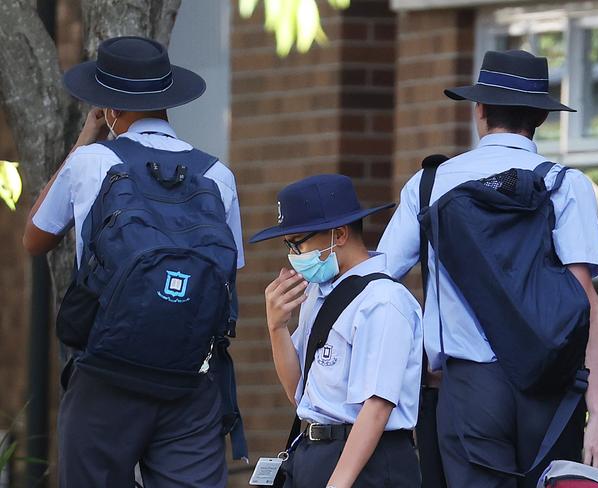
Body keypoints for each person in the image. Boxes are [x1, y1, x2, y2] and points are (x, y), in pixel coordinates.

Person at [378, 49, 598, 487]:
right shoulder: (565, 184)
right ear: (540, 118)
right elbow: (586, 305)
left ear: (480, 109)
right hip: (552, 386)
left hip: (469, 386)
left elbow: (379, 284)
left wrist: (419, 357)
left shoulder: (430, 184)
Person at [23, 36, 246, 488]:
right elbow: (228, 271)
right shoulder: (217, 175)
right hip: (191, 377)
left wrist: (87, 136)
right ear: (167, 102)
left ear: (108, 109)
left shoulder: (91, 162)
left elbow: (35, 237)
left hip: (107, 373)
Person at [249, 174, 423, 488]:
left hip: (368, 460)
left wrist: (338, 483)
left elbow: (377, 405)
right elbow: (299, 393)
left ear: (339, 234)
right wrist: (277, 326)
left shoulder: (383, 300)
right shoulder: (317, 293)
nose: (293, 254)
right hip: (313, 449)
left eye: (298, 243)